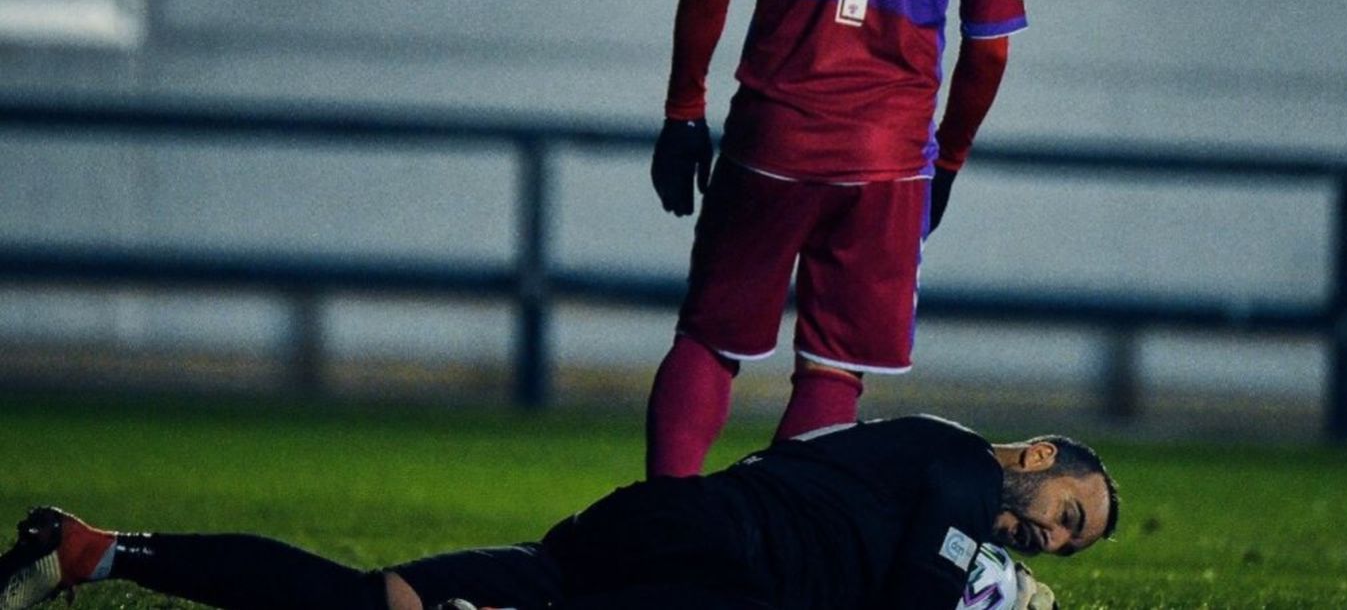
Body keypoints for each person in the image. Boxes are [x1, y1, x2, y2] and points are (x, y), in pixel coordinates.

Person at [648, 0, 1027, 477]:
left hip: (770, 139)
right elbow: (988, 53)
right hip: (886, 160)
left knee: (711, 341)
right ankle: (788, 558)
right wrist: (947, 161)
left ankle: (660, 528)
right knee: (832, 369)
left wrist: (684, 111)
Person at [0, 416, 1116, 610]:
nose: (1048, 532)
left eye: (1066, 538)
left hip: (662, 537)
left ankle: (98, 552)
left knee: (374, 598)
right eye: (1064, 510)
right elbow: (925, 587)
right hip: (717, 564)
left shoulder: (937, 486)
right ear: (1033, 456)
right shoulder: (961, 469)